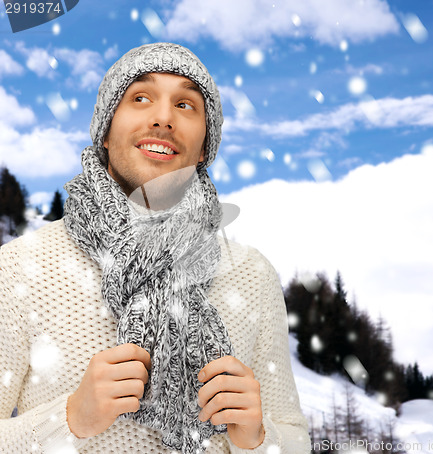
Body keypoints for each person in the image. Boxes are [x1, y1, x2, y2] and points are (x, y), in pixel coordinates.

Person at [0, 43, 310, 453]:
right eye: (140, 98)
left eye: (185, 105)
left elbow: (295, 439)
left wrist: (258, 438)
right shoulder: (20, 268)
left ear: (204, 149)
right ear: (106, 134)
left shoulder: (252, 274)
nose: (163, 118)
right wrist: (71, 418)